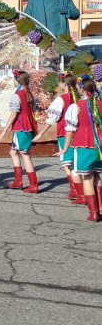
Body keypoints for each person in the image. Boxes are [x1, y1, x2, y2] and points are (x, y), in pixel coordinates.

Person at [59, 75, 102, 221]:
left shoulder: (75, 107)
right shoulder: (100, 104)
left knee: (87, 178)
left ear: (82, 89)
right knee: (97, 175)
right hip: (99, 147)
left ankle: (93, 212)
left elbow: (70, 130)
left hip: (83, 145)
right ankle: (100, 207)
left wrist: (65, 148)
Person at [33, 72, 82, 201]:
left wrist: (41, 133)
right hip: (80, 133)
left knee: (67, 162)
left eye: (60, 82)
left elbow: (52, 119)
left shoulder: (61, 99)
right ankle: (81, 189)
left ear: (64, 84)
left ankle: (75, 190)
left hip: (65, 132)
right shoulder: (79, 98)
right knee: (77, 161)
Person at [0, 70, 39, 193]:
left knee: (25, 155)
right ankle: (18, 180)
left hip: (21, 127)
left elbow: (13, 114)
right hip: (29, 126)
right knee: (13, 151)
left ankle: (33, 184)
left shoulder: (17, 95)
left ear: (18, 80)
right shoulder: (28, 93)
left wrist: (4, 130)